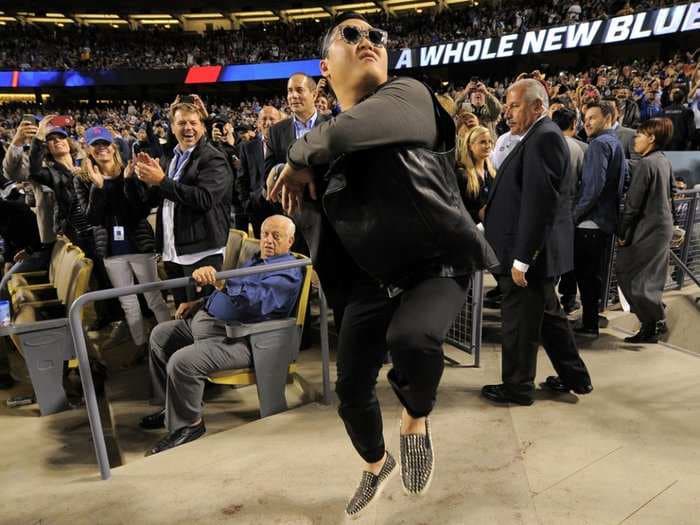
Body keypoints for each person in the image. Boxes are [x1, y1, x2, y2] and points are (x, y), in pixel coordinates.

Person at [267, 13, 496, 518]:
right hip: (374, 281)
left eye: (375, 35)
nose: (367, 40)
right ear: (326, 65)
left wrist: (296, 154)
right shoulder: (326, 145)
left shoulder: (407, 95)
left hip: (436, 263)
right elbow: (329, 223)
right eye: (351, 35)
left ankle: (416, 416)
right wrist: (302, 198)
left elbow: (343, 135)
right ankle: (376, 464)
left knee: (411, 340)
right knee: (349, 390)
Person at [140, 215, 303, 455]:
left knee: (182, 362)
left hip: (240, 339)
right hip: (210, 322)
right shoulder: (256, 260)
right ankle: (173, 407)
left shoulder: (287, 271)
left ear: (290, 241)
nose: (268, 241)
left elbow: (257, 303)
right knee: (160, 336)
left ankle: (190, 425)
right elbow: (227, 292)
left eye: (276, 236)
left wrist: (222, 284)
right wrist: (198, 302)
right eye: (265, 234)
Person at [481, 79, 592, 407]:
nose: (507, 112)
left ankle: (517, 388)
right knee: (551, 320)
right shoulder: (536, 137)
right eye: (507, 105)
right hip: (534, 253)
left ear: (538, 107)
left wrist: (521, 259)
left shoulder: (543, 139)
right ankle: (576, 377)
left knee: (519, 325)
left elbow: (539, 203)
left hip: (526, 255)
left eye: (514, 105)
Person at [126, 95, 233, 308]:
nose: (188, 128)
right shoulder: (172, 158)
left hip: (201, 254)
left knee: (201, 317)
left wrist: (162, 181)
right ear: (173, 128)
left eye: (193, 122)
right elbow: (153, 201)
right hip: (174, 251)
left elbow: (204, 199)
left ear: (202, 126)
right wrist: (138, 179)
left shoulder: (213, 158)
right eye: (182, 123)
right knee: (182, 314)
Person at [73, 126, 171, 359]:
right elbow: (91, 219)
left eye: (105, 144)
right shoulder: (84, 180)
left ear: (113, 146)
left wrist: (127, 181)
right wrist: (98, 188)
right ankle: (141, 346)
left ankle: (170, 342)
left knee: (153, 297)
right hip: (111, 249)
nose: (101, 148)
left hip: (138, 244)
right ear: (89, 150)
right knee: (127, 301)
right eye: (96, 145)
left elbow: (139, 210)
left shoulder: (130, 171)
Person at [616, 118, 675, 343]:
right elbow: (671, 194)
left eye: (640, 134)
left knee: (630, 276)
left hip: (647, 229)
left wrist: (622, 231)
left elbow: (632, 205)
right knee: (646, 279)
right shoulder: (663, 160)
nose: (635, 138)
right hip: (661, 228)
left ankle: (655, 319)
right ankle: (649, 326)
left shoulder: (646, 164)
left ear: (651, 138)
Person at [573, 102, 628, 337]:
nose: (587, 122)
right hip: (606, 221)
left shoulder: (598, 145)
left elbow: (593, 188)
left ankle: (589, 324)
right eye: (585, 117)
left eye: (592, 117)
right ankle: (591, 320)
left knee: (586, 277)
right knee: (594, 276)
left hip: (590, 223)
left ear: (607, 118)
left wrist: (573, 216)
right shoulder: (616, 143)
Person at [264, 72, 331, 252]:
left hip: (326, 217)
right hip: (290, 219)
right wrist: (283, 169)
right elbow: (268, 172)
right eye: (289, 91)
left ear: (314, 94)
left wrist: (308, 173)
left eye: (299, 90)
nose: (293, 96)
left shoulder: (332, 125)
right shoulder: (275, 131)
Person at [551, 107, 587, 314]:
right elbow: (585, 183)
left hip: (545, 211)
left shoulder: (540, 143)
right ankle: (568, 299)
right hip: (569, 211)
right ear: (574, 124)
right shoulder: (579, 148)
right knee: (567, 257)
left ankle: (545, 301)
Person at [236, 106, 283, 238]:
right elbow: (242, 178)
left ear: (280, 123)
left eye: (272, 119)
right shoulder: (247, 147)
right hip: (257, 209)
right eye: (264, 119)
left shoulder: (288, 145)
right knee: (262, 248)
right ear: (258, 123)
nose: (268, 122)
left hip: (283, 209)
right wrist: (247, 202)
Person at [456, 125, 496, 225]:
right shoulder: (462, 175)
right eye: (482, 142)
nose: (488, 146)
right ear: (470, 146)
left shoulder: (492, 172)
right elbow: (456, 210)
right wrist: (478, 214)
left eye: (489, 141)